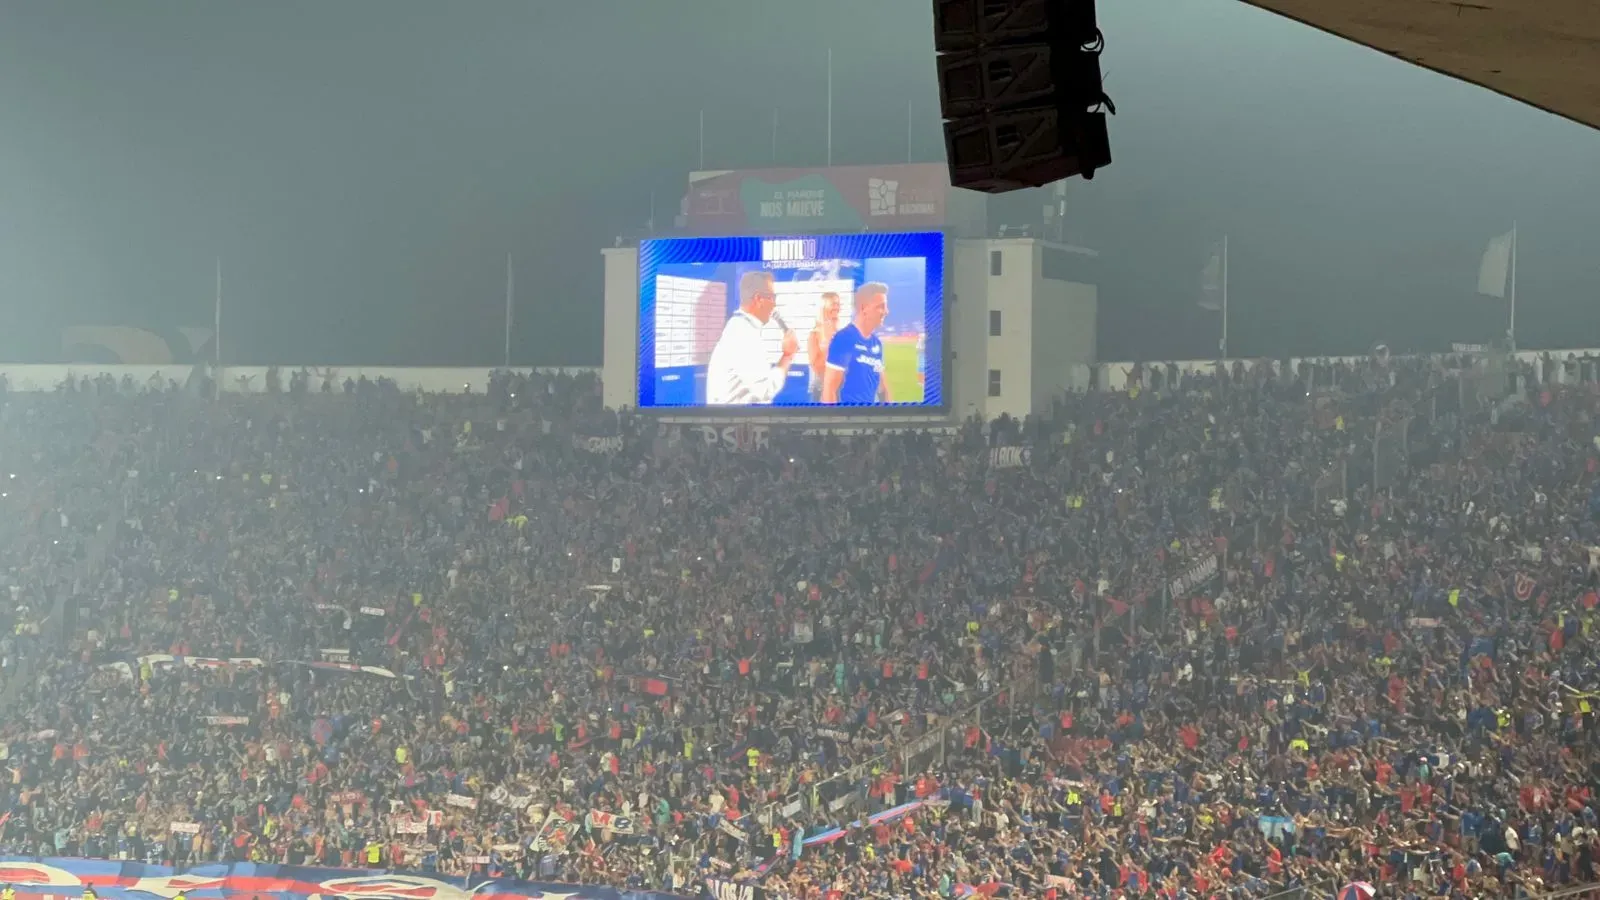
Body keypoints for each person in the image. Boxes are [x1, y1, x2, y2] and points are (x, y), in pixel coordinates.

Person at [704, 270, 798, 405]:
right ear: (759, 299)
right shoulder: (742, 333)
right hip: (736, 417)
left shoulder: (742, 327)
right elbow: (765, 390)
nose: (774, 305)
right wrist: (787, 356)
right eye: (772, 298)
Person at [820, 282, 890, 405]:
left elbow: (883, 388)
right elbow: (829, 390)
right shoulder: (844, 339)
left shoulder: (876, 343)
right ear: (864, 308)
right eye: (881, 306)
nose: (886, 311)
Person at [807, 292, 841, 402]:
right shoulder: (815, 334)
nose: (837, 307)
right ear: (823, 306)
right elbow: (815, 364)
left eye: (838, 304)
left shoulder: (839, 333)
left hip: (838, 388)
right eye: (833, 304)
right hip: (822, 390)